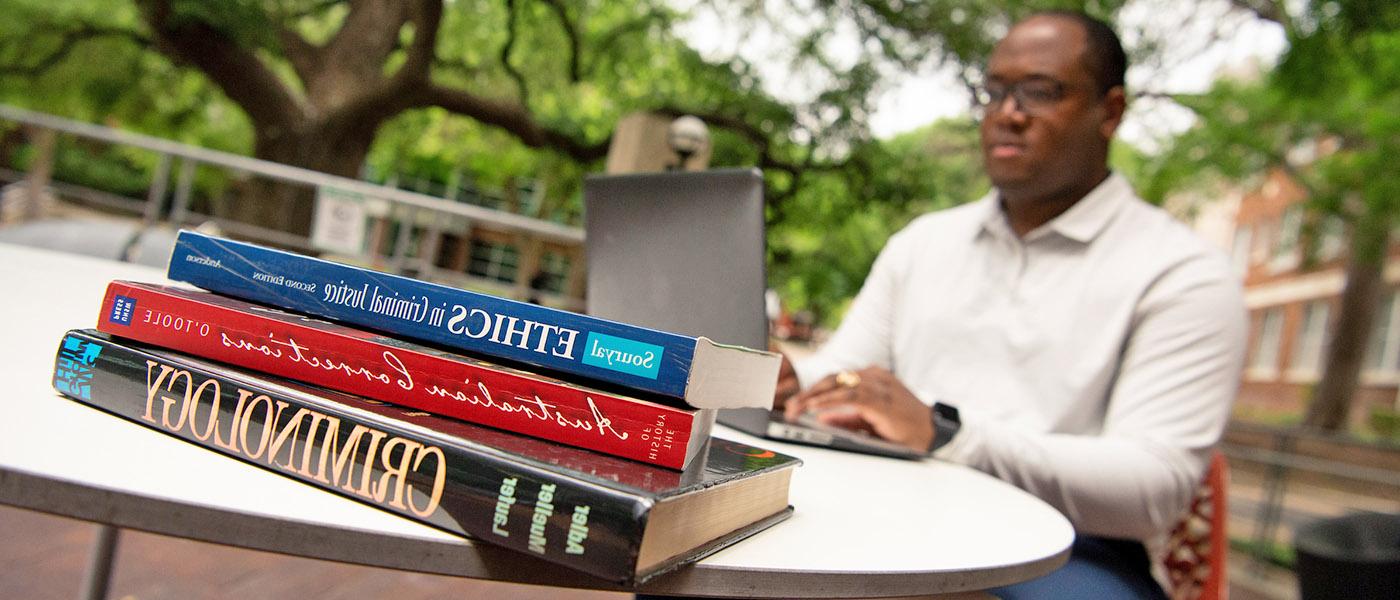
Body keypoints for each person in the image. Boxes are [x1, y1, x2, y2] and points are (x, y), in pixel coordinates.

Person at [777, 11, 1247, 599]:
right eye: (994, 91)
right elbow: (846, 370)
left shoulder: (1183, 274)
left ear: (1111, 111)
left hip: (1069, 550)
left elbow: (1153, 489)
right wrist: (797, 380)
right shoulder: (924, 243)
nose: (1007, 112)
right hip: (887, 504)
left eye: (1040, 92)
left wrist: (946, 434)